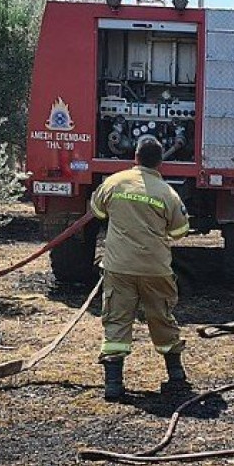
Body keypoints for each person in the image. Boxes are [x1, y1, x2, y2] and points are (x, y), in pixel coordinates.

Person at [89, 136, 192, 402]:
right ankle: (176, 376)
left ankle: (113, 385)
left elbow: (97, 211)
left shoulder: (113, 182)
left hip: (119, 267)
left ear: (135, 157)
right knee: (162, 318)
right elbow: (180, 230)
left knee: (117, 321)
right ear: (160, 162)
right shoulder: (167, 193)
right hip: (155, 269)